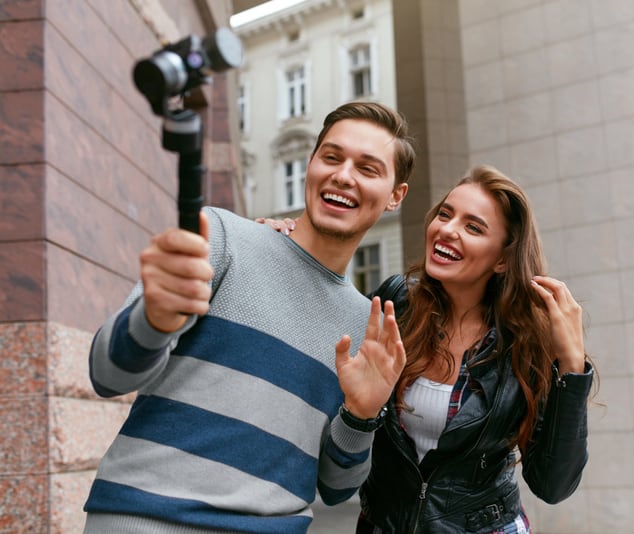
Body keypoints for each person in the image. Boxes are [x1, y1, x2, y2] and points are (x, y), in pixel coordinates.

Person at [83, 101, 416, 534]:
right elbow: (106, 375)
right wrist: (153, 320)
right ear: (311, 163)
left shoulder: (363, 324)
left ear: (395, 195)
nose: (343, 175)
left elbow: (336, 488)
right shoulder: (221, 236)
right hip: (145, 521)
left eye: (368, 168)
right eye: (331, 157)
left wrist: (362, 413)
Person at [262, 164, 594, 533]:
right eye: (445, 214)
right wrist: (279, 253)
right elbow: (315, 331)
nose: (447, 230)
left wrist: (571, 367)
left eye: (473, 227)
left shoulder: (527, 341)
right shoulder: (395, 303)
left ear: (502, 259)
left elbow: (553, 485)